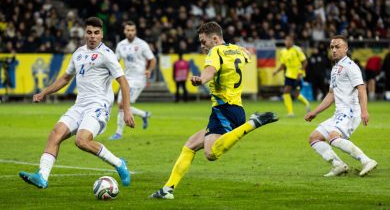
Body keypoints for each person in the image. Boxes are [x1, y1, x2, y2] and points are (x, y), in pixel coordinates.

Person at [150, 22, 278, 199]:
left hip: (224, 109)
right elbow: (248, 55)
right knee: (190, 145)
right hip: (235, 108)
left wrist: (201, 79)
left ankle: (253, 123)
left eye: (204, 42)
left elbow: (210, 70)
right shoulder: (236, 49)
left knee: (211, 153)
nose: (202, 46)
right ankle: (167, 190)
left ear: (215, 39)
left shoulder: (215, 51)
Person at [19, 17, 135, 188]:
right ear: (84, 34)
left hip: (98, 106)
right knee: (55, 134)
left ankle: (119, 163)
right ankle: (42, 177)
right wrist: (44, 92)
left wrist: (127, 110)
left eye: (96, 33)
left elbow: (124, 83)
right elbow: (65, 78)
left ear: (101, 35)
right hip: (79, 105)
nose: (92, 36)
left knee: (81, 141)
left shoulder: (107, 55)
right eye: (89, 32)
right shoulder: (78, 53)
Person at [304, 35, 377, 177]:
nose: (334, 50)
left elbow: (361, 88)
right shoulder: (335, 68)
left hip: (350, 112)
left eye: (337, 46)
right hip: (339, 113)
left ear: (346, 48)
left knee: (333, 136)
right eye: (332, 47)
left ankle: (366, 161)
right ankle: (338, 165)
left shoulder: (351, 67)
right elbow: (331, 95)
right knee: (314, 137)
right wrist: (315, 112)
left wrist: (364, 111)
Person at [109, 21, 156, 140]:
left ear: (135, 31)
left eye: (132, 30)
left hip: (138, 79)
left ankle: (119, 133)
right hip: (126, 79)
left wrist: (149, 70)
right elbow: (115, 61)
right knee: (121, 106)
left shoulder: (142, 44)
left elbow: (152, 59)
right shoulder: (120, 45)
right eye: (128, 30)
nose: (130, 32)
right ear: (124, 31)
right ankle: (143, 115)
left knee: (122, 104)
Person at [273, 35, 311, 117]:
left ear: (292, 42)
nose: (287, 42)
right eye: (286, 40)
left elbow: (305, 62)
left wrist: (300, 72)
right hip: (288, 75)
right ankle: (290, 113)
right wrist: (276, 71)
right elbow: (283, 65)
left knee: (296, 94)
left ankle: (307, 103)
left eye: (289, 40)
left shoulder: (297, 50)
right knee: (286, 91)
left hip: (297, 75)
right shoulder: (283, 52)